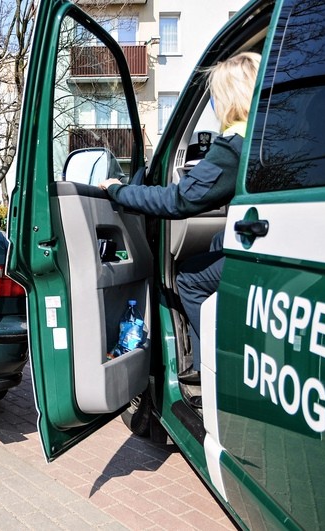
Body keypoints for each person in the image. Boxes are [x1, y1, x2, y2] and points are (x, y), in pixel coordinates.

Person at [98, 51, 261, 386]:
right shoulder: (268, 136)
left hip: (260, 255)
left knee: (188, 277)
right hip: (277, 247)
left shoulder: (234, 143)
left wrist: (118, 191)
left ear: (230, 97)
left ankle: (216, 365)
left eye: (217, 96)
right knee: (217, 241)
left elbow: (180, 200)